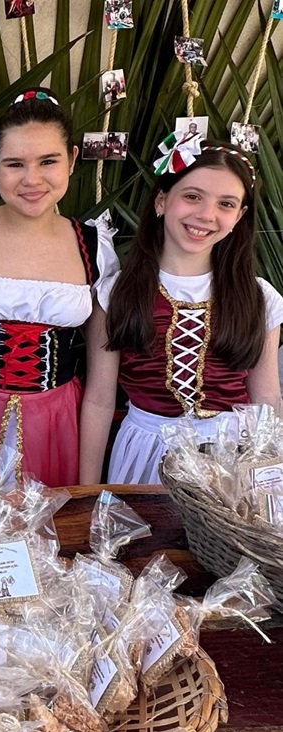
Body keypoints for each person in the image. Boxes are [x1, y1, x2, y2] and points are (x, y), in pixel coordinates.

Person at [0, 89, 119, 492]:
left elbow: (102, 389)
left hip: (55, 425)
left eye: (48, 161)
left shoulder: (95, 248)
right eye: (15, 164)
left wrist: (87, 489)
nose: (32, 179)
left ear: (71, 159)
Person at [80, 140, 283, 484]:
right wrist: (86, 489)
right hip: (146, 451)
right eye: (192, 196)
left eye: (226, 203)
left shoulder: (259, 297)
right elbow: (99, 400)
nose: (206, 214)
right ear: (162, 200)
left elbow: (266, 398)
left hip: (231, 459)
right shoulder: (116, 293)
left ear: (239, 216)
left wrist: (270, 482)